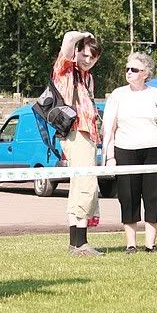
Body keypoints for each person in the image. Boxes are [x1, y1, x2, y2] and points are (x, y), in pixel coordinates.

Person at [101, 52, 157, 254]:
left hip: (154, 150)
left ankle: (151, 244)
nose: (129, 72)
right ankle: (131, 244)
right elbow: (109, 129)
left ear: (145, 73)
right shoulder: (118, 95)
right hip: (125, 150)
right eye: (127, 69)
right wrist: (110, 157)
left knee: (153, 197)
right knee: (128, 197)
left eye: (134, 69)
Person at [52, 31, 104, 256]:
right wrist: (83, 35)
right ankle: (81, 243)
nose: (88, 60)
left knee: (78, 187)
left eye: (93, 57)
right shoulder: (65, 70)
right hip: (76, 132)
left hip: (89, 134)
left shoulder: (88, 78)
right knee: (86, 185)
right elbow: (68, 38)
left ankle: (75, 243)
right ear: (76, 53)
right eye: (84, 54)